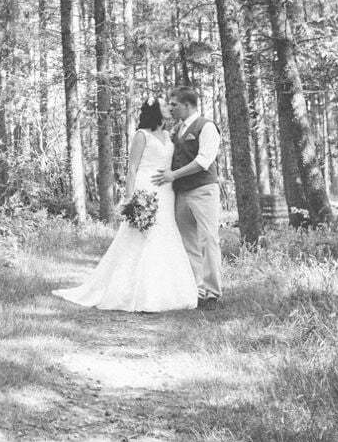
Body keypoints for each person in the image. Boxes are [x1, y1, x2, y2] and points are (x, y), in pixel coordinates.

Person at [53, 99, 197, 312]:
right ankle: (140, 294)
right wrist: (131, 198)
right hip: (145, 188)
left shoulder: (168, 136)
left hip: (166, 191)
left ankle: (169, 292)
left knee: (166, 233)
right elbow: (132, 168)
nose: (169, 108)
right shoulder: (142, 135)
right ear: (155, 110)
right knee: (143, 235)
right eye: (165, 105)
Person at [152, 85, 223, 310]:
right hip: (181, 194)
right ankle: (196, 289)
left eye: (174, 105)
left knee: (208, 239)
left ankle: (213, 293)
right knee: (187, 242)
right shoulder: (176, 131)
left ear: (187, 105)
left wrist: (173, 175)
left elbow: (204, 161)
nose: (170, 109)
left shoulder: (206, 126)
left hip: (203, 190)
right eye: (169, 105)